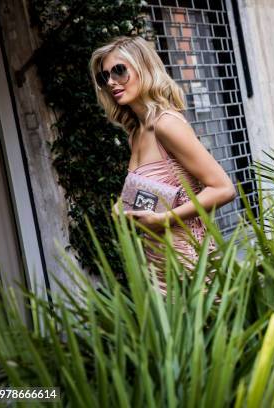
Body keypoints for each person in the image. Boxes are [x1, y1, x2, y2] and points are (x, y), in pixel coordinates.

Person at [89, 36, 236, 295]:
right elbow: (162, 191)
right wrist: (125, 207)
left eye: (119, 70)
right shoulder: (136, 131)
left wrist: (163, 220)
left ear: (144, 67)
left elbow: (223, 188)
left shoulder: (166, 124)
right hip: (158, 262)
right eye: (104, 77)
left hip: (191, 264)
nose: (111, 82)